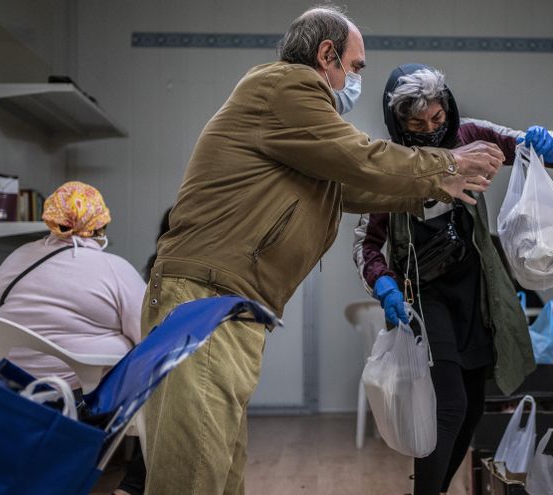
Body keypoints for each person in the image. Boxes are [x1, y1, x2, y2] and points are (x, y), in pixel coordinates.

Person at [141, 6, 507, 495]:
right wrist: (444, 166)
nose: (356, 79)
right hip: (205, 298)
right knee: (192, 475)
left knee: (220, 469)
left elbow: (347, 190)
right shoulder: (286, 87)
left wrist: (439, 187)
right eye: (355, 67)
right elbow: (357, 159)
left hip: (230, 305)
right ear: (327, 54)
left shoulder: (299, 134)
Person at [352, 64, 553, 495]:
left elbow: (537, 147)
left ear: (446, 110)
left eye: (436, 119)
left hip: (473, 292)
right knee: (448, 406)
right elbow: (367, 243)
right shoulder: (389, 161)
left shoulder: (468, 135)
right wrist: (383, 284)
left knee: (470, 410)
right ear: (398, 123)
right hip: (424, 296)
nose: (431, 131)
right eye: (417, 124)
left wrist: (552, 144)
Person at [0, 181, 147, 494]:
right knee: (169, 372)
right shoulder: (113, 268)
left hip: (11, 389)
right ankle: (132, 486)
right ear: (100, 224)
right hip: (82, 398)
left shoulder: (16, 260)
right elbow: (147, 334)